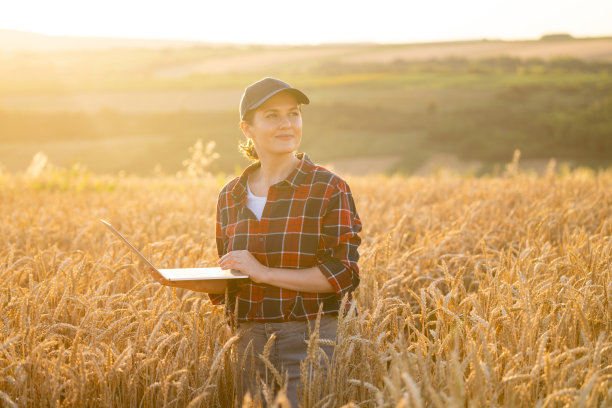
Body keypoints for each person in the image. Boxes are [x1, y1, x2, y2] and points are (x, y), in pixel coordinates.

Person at [148, 77, 362, 407]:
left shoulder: (328, 188)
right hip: (248, 340)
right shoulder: (230, 195)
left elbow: (342, 275)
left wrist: (264, 272)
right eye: (272, 115)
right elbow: (237, 272)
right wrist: (193, 282)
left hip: (309, 338)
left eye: (293, 113)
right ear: (247, 128)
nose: (287, 124)